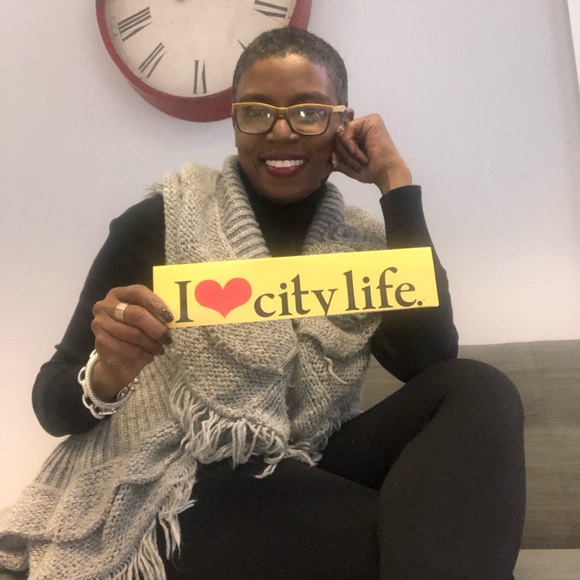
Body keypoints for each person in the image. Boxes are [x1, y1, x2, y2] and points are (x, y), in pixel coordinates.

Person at [0, 27, 525, 579]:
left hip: (311, 456)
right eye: (256, 112)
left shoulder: (366, 246)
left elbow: (430, 361)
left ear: (343, 124)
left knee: (478, 388)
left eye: (308, 112)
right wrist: (107, 374)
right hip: (184, 473)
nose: (280, 130)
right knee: (426, 534)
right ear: (235, 122)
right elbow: (50, 402)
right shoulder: (163, 220)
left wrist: (396, 186)